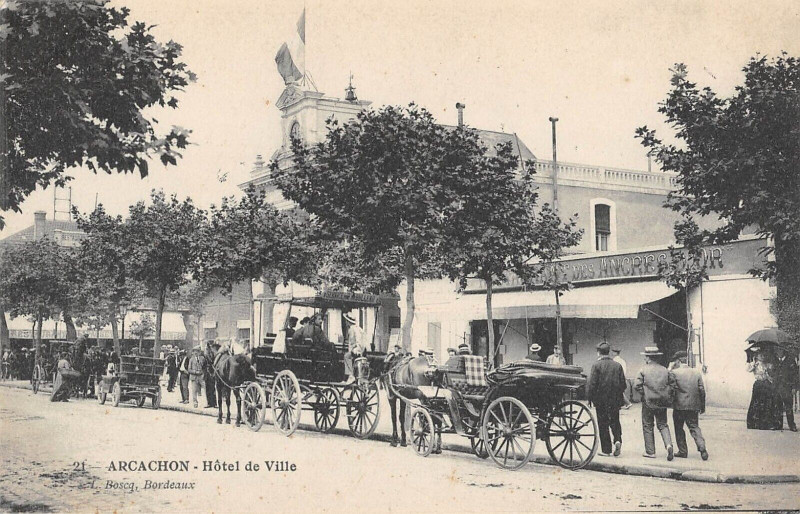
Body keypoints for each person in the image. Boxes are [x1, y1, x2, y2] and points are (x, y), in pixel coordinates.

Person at [586, 342, 626, 457]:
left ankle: (606, 450)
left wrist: (589, 398)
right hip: (615, 399)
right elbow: (623, 384)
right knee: (615, 420)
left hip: (601, 400)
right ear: (609, 352)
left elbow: (592, 384)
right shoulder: (617, 365)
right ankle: (618, 439)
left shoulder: (596, 365)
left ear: (598, 352)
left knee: (603, 424)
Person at [635, 346, 674, 460]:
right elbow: (672, 384)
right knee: (663, 424)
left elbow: (636, 385)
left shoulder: (643, 370)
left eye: (645, 357)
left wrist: (645, 393)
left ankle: (650, 452)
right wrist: (665, 394)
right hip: (662, 402)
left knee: (647, 425)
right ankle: (668, 445)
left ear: (648, 358)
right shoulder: (665, 370)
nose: (644, 359)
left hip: (648, 402)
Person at [668, 350, 708, 460]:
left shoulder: (674, 373)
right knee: (694, 427)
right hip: (694, 406)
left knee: (679, 428)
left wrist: (670, 369)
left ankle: (683, 451)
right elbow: (702, 390)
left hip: (679, 406)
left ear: (678, 361)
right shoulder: (696, 372)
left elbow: (671, 388)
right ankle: (702, 447)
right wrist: (702, 406)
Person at [774, 346, 799, 432]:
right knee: (778, 406)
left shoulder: (790, 361)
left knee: (788, 406)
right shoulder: (775, 360)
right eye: (777, 350)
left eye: (780, 350)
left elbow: (795, 375)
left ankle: (792, 425)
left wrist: (794, 387)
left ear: (783, 351)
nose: (778, 352)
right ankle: (778, 424)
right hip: (777, 387)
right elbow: (774, 373)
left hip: (787, 387)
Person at [343, 313, 364, 383]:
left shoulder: (352, 329)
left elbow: (353, 342)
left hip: (357, 351)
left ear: (348, 322)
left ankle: (350, 375)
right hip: (361, 350)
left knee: (346, 356)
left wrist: (352, 350)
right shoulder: (358, 328)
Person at [204, 342, 218, 408]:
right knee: (208, 389)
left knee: (212, 388)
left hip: (211, 371)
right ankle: (209, 403)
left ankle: (214, 403)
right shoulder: (206, 354)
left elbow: (211, 361)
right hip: (207, 373)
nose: (206, 349)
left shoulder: (211, 354)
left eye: (207, 348)